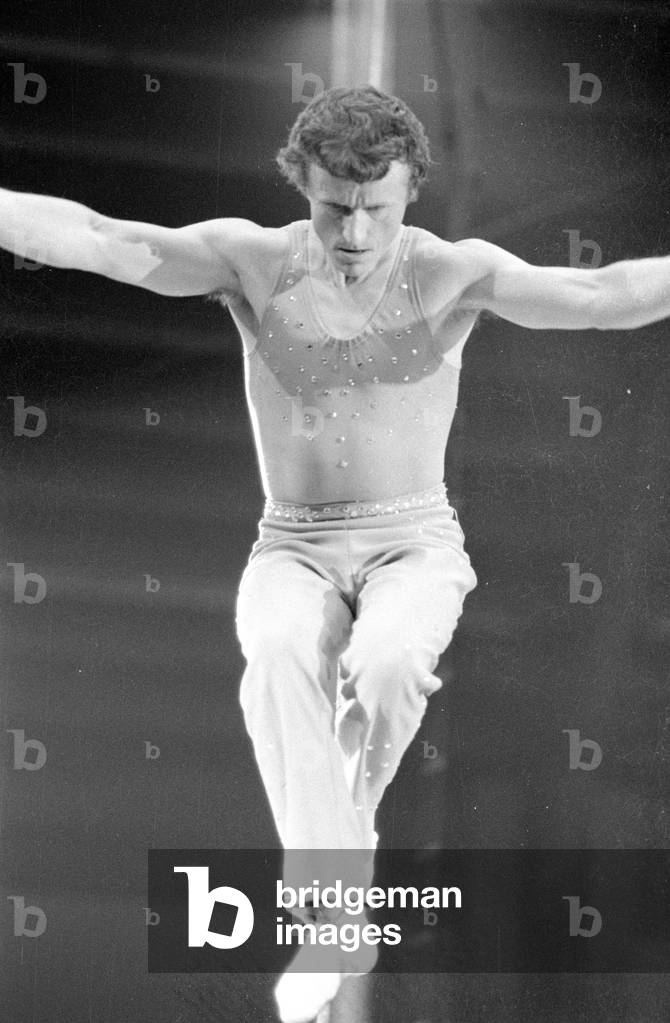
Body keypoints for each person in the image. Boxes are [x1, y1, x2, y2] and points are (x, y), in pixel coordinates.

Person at [2, 84, 669, 1023]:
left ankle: (339, 854)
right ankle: (331, 905)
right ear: (302, 187)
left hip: (414, 543)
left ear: (411, 193)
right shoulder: (254, 262)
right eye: (333, 208)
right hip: (294, 545)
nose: (354, 232)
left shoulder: (452, 273)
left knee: (390, 665)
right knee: (276, 656)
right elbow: (104, 237)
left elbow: (600, 297)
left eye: (378, 210)